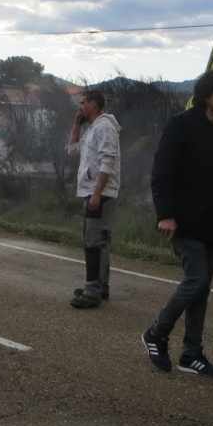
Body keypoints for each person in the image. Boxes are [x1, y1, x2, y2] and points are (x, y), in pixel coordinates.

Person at [140, 71, 213, 377]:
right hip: (185, 221)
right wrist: (165, 215)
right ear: (205, 94)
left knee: (201, 289)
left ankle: (192, 353)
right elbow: (162, 173)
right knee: (197, 280)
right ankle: (156, 334)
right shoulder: (181, 125)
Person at [66, 89, 122, 309]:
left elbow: (107, 161)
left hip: (100, 193)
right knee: (100, 242)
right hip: (94, 191)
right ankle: (100, 286)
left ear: (94, 104)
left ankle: (92, 290)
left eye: (83, 102)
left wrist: (97, 193)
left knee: (93, 241)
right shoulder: (92, 129)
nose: (80, 106)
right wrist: (76, 126)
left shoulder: (105, 127)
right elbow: (72, 151)